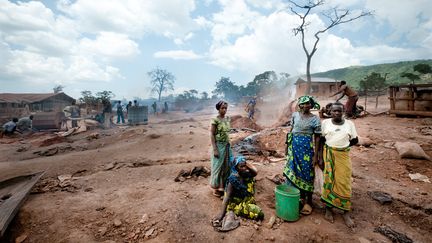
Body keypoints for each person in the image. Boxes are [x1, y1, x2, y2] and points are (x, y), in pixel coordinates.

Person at [320, 102, 358, 228]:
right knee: (329, 180)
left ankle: (345, 211)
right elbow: (321, 140)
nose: (337, 113)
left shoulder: (349, 124)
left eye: (339, 111)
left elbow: (354, 140)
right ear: (330, 112)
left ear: (343, 112)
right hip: (329, 155)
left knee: (344, 182)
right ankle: (328, 209)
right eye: (334, 111)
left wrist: (342, 148)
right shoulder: (325, 123)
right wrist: (320, 157)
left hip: (343, 156)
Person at [283, 95, 321, 215]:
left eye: (308, 103)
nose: (305, 106)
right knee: (292, 172)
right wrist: (286, 146)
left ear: (311, 105)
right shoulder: (295, 115)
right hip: (293, 148)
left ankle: (308, 201)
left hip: (306, 151)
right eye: (303, 104)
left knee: (307, 174)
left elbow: (318, 138)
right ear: (299, 105)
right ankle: (297, 197)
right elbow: (291, 131)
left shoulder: (315, 119)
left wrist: (315, 156)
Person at [212, 156, 264, 227]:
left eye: (244, 166)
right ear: (236, 168)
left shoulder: (245, 173)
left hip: (245, 200)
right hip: (236, 205)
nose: (244, 168)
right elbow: (226, 198)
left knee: (251, 179)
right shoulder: (233, 180)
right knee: (259, 213)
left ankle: (247, 204)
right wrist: (221, 215)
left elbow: (255, 173)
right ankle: (235, 211)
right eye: (241, 166)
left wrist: (246, 163)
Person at [210, 100, 233, 197]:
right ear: (218, 109)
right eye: (222, 108)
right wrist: (215, 148)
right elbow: (211, 134)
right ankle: (216, 188)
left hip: (227, 145)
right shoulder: (215, 119)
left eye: (226, 108)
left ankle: (223, 186)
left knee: (227, 166)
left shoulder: (228, 119)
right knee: (217, 166)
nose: (224, 110)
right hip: (219, 145)